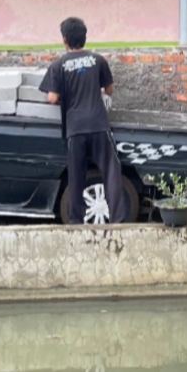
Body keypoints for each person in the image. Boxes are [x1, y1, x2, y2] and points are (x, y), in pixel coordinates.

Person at [40, 17, 128, 224]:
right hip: (98, 125)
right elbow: (110, 89)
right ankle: (118, 219)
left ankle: (75, 221)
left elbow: (52, 97)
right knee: (111, 171)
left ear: (64, 40)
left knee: (76, 176)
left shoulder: (58, 65)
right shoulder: (98, 60)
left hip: (75, 128)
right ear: (85, 38)